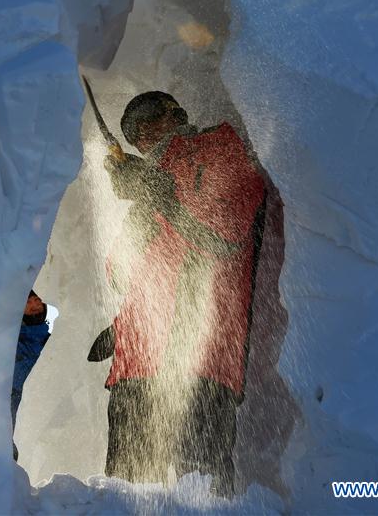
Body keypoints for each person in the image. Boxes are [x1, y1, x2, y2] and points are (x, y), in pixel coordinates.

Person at [87, 91, 265, 496]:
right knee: (125, 494)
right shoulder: (147, 191)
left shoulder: (217, 148)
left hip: (201, 357)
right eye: (132, 132)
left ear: (177, 113)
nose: (142, 134)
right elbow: (123, 275)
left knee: (201, 489)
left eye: (149, 118)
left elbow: (226, 235)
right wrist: (120, 328)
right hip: (137, 365)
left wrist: (159, 195)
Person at [11, 289, 51, 460]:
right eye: (28, 302)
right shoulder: (12, 337)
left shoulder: (49, 339)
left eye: (37, 300)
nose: (35, 305)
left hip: (34, 400)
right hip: (10, 396)